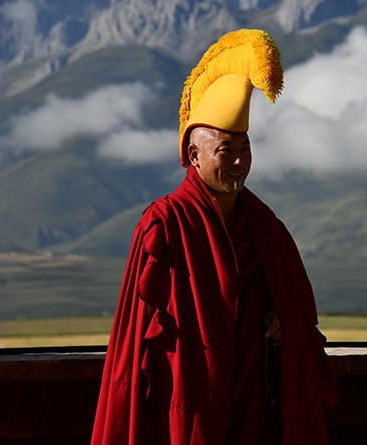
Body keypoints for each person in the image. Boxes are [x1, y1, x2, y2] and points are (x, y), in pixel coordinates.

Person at [90, 29, 339, 445]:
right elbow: (135, 344)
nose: (241, 162)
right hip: (183, 407)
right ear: (194, 155)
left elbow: (299, 316)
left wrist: (284, 325)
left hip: (254, 408)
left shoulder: (266, 226)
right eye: (227, 151)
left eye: (245, 148)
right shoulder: (164, 225)